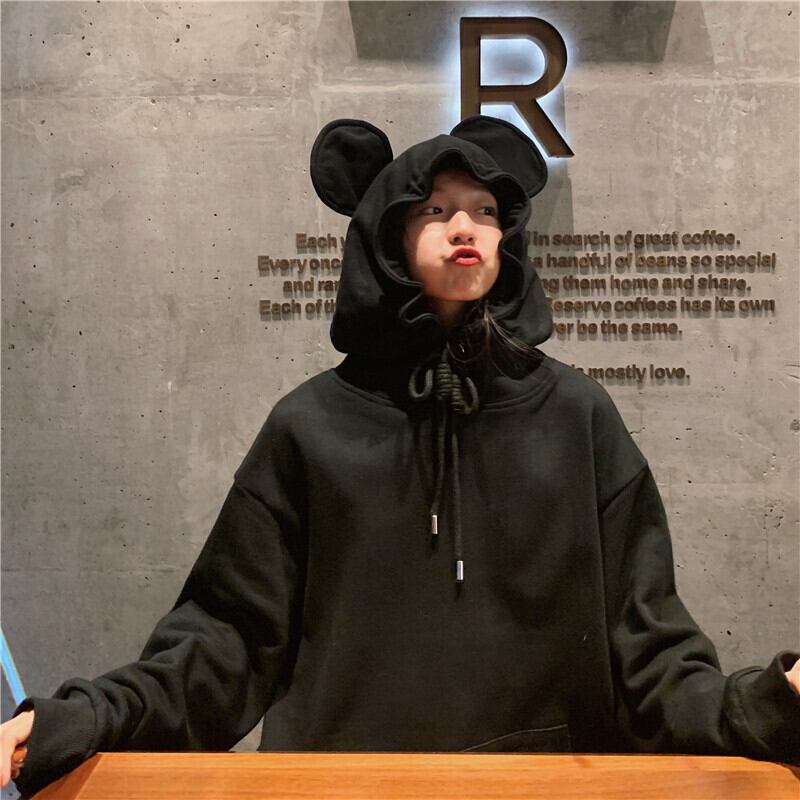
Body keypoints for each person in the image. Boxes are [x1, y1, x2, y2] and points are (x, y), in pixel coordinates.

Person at [2, 116, 799, 796]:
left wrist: (772, 704)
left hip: (547, 790)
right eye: (436, 210)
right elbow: (225, 645)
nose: (466, 228)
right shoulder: (311, 427)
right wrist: (77, 720)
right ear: (386, 233)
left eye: (485, 211)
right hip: (342, 791)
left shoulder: (577, 418)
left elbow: (649, 652)